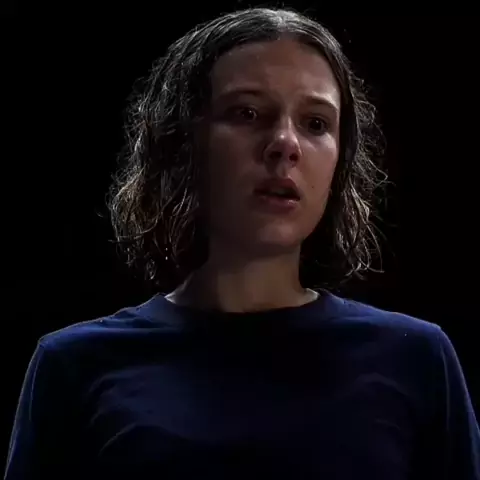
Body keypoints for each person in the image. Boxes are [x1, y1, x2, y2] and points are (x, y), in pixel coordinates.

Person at [5, 8, 479, 480]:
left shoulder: (416, 359)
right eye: (247, 113)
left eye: (316, 123)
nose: (285, 143)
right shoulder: (75, 365)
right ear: (184, 141)